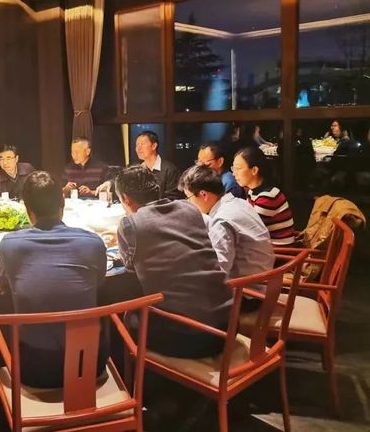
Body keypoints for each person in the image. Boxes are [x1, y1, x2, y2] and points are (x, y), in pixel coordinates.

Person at [0, 171, 108, 387]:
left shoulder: (9, 244)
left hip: (34, 371)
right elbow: (99, 282)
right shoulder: (93, 242)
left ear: (27, 209)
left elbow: (2, 284)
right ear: (62, 203)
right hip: (90, 364)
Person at [115, 165, 232, 358]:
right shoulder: (189, 208)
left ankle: (136, 376)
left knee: (124, 319)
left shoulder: (129, 224)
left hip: (193, 336)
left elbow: (131, 271)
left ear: (126, 199)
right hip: (229, 323)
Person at [179, 165, 274, 310]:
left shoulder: (223, 219)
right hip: (262, 286)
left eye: (189, 198)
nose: (188, 203)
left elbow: (219, 272)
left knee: (175, 297)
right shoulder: (238, 203)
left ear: (203, 194)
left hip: (246, 296)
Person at [232, 146, 295, 246]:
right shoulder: (252, 192)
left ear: (254, 170)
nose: (234, 173)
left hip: (279, 251)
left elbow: (248, 229)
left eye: (238, 169)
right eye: (233, 168)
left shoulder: (268, 196)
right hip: (265, 248)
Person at [98, 131, 180, 199]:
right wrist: (110, 183)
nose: (138, 148)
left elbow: (172, 199)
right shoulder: (136, 168)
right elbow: (123, 180)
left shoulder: (169, 169)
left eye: (142, 144)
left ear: (154, 146)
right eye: (137, 145)